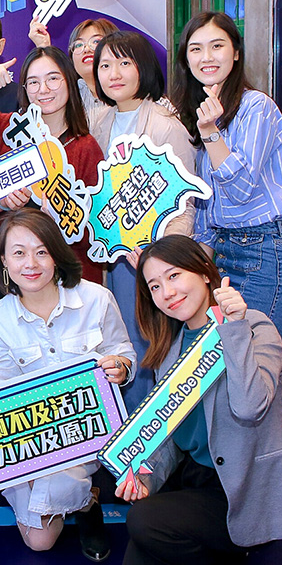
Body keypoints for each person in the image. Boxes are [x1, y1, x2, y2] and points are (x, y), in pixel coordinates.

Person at [118, 234, 282, 565]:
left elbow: (250, 408)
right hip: (195, 480)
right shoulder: (170, 347)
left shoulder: (255, 327)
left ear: (205, 273)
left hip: (241, 486)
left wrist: (234, 329)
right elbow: (170, 439)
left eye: (174, 276)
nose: (166, 292)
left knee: (145, 521)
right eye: (154, 286)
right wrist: (146, 478)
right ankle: (217, 555)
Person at [0, 208, 134, 561]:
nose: (31, 264)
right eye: (19, 253)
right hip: (29, 439)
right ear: (4, 261)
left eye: (41, 251)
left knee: (52, 509)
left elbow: (123, 352)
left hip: (83, 435)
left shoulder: (96, 298)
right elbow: (1, 392)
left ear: (56, 255)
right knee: (40, 541)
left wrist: (120, 367)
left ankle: (85, 502)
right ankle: (81, 498)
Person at [169, 11, 282, 337]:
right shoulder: (196, 113)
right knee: (225, 357)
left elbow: (240, 189)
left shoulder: (256, 107)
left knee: (255, 356)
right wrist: (196, 270)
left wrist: (210, 133)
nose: (207, 57)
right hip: (221, 252)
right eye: (196, 49)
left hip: (266, 250)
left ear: (236, 52)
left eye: (217, 46)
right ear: (186, 59)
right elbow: (207, 209)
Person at [88, 30, 196, 410]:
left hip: (152, 261)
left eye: (124, 63)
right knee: (121, 346)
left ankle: (152, 434)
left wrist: (159, 258)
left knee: (152, 346)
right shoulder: (98, 122)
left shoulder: (166, 125)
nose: (114, 74)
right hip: (114, 259)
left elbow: (185, 204)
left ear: (144, 67)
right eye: (105, 65)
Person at [0, 46, 106, 283]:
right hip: (20, 277)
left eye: (53, 79)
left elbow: (100, 228)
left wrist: (63, 223)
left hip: (71, 276)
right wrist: (3, 202)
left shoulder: (86, 146)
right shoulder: (13, 136)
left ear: (69, 82)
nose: (43, 89)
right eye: (33, 82)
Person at [30, 16, 119, 117]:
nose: (86, 49)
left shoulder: (127, 94)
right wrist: (43, 45)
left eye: (96, 41)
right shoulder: (70, 96)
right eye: (78, 45)